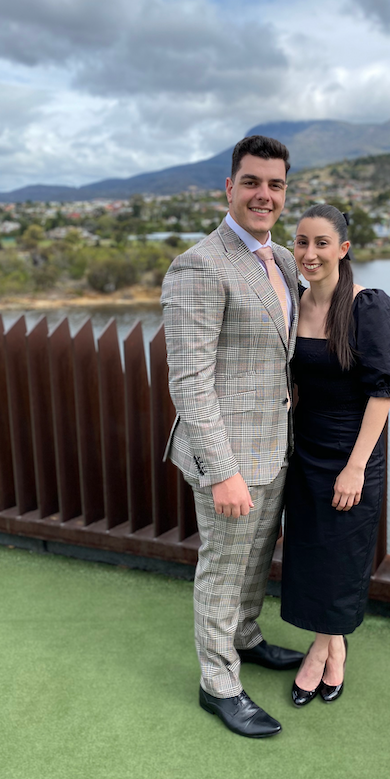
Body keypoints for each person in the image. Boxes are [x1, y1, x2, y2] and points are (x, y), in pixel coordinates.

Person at [161, 135, 305, 739]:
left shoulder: (287, 262)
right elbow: (189, 381)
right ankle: (218, 683)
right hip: (228, 456)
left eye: (274, 184)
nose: (263, 195)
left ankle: (245, 639)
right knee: (223, 568)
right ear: (229, 187)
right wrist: (222, 470)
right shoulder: (200, 264)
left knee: (254, 563)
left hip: (274, 447)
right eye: (251, 182)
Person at [280, 204, 390, 706]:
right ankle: (334, 645)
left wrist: (354, 468)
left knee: (341, 557)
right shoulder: (293, 303)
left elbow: (382, 393)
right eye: (302, 242)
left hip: (354, 453)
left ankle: (323, 654)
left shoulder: (370, 306)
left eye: (321, 243)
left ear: (343, 250)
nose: (309, 254)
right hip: (306, 447)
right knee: (311, 553)